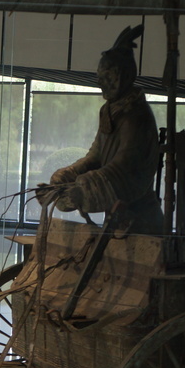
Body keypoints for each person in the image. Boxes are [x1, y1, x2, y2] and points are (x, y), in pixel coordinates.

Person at [38, 24, 165, 235]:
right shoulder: (109, 110)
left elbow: (125, 168)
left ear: (124, 76)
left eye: (108, 78)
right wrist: (67, 176)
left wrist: (82, 189)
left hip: (141, 223)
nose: (101, 83)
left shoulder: (137, 115)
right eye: (100, 77)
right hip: (117, 221)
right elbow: (95, 157)